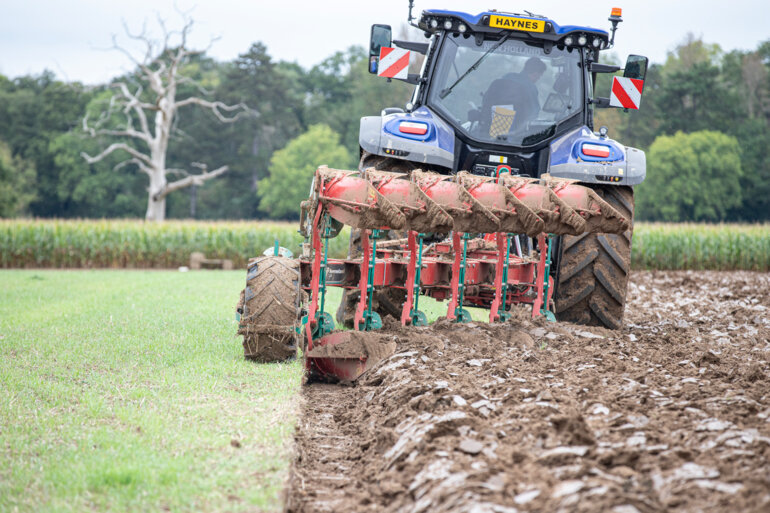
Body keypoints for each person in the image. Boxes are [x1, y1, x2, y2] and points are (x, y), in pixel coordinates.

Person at [480, 57, 547, 133]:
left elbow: (486, 100)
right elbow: (534, 112)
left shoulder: (506, 77)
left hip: (487, 128)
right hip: (514, 133)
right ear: (535, 74)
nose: (538, 79)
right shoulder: (530, 87)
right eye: (539, 76)